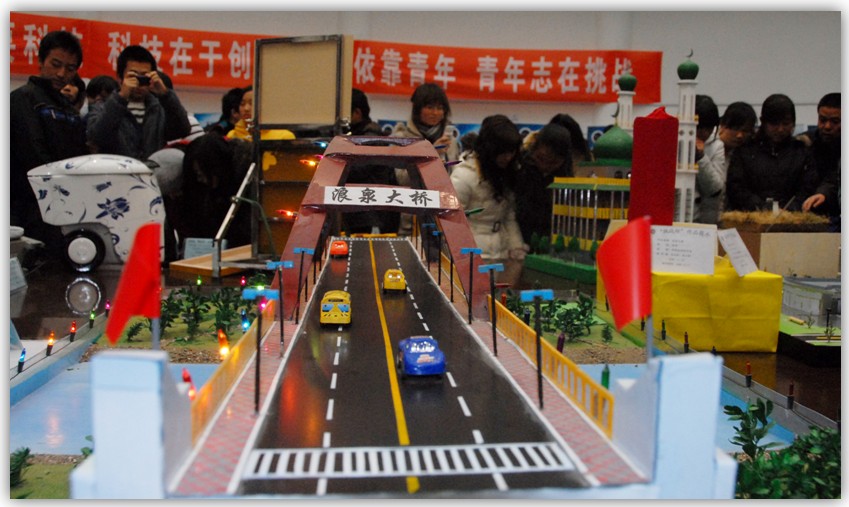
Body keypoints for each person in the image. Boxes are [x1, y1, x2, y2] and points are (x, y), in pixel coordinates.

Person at [11, 30, 89, 254]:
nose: (61, 73)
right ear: (41, 61)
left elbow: (80, 157)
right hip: (27, 204)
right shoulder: (23, 98)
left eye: (70, 68)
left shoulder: (68, 108)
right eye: (55, 64)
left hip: (64, 204)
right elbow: (33, 153)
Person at [86, 44, 191, 160]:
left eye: (144, 77)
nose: (139, 83)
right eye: (133, 76)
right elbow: (96, 137)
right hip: (116, 170)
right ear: (120, 77)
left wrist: (165, 94)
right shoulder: (102, 107)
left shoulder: (159, 108)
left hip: (151, 170)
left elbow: (183, 130)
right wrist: (121, 97)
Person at [449, 114, 527, 264]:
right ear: (489, 148)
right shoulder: (463, 176)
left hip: (501, 253)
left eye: (511, 152)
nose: (508, 157)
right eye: (502, 152)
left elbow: (508, 216)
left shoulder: (506, 173)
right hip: (470, 256)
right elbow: (452, 222)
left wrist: (516, 246)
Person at [725, 94, 816, 213]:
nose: (780, 129)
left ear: (793, 123)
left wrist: (790, 209)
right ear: (763, 122)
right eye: (774, 124)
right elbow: (736, 188)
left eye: (786, 123)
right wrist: (764, 208)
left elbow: (808, 187)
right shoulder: (745, 150)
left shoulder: (801, 151)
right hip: (751, 216)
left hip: (792, 217)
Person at [391, 82, 460, 234]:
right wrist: (432, 153)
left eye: (440, 108)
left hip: (442, 216)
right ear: (417, 109)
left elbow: (454, 179)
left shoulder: (450, 141)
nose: (435, 113)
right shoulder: (402, 138)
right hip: (410, 217)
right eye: (429, 107)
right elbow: (402, 179)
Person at [343, 88, 398, 234]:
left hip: (368, 214)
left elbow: (356, 171)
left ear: (357, 112)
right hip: (361, 210)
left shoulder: (370, 138)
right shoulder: (360, 134)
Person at [694, 101, 757, 224]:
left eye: (745, 131)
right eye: (735, 129)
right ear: (723, 124)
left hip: (725, 219)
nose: (740, 135)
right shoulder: (705, 144)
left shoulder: (744, 154)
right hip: (700, 219)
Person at [514, 123, 574, 245]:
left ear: (563, 159)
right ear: (534, 149)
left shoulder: (565, 179)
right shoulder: (520, 168)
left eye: (553, 162)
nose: (545, 166)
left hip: (552, 238)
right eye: (541, 158)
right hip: (517, 236)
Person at [798, 92, 840, 229]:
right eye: (822, 120)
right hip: (804, 214)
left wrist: (823, 193)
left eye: (835, 122)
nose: (827, 126)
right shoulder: (803, 143)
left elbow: (835, 178)